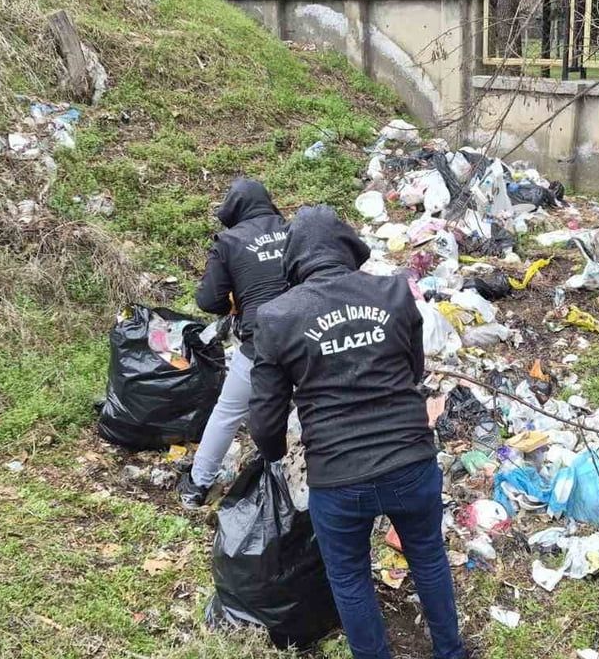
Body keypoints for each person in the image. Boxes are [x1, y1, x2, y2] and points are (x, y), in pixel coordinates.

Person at [246, 205, 465, 659]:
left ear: (294, 259)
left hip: (339, 476)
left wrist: (271, 455)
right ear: (348, 247)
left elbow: (266, 421)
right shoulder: (393, 293)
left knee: (348, 576)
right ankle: (450, 651)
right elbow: (413, 370)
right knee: (427, 556)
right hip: (410, 460)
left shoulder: (277, 317)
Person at [176, 177, 288, 509]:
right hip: (306, 337)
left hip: (261, 343)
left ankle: (198, 484)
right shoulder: (292, 229)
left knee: (228, 412)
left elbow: (208, 300)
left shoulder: (229, 241)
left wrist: (234, 304)